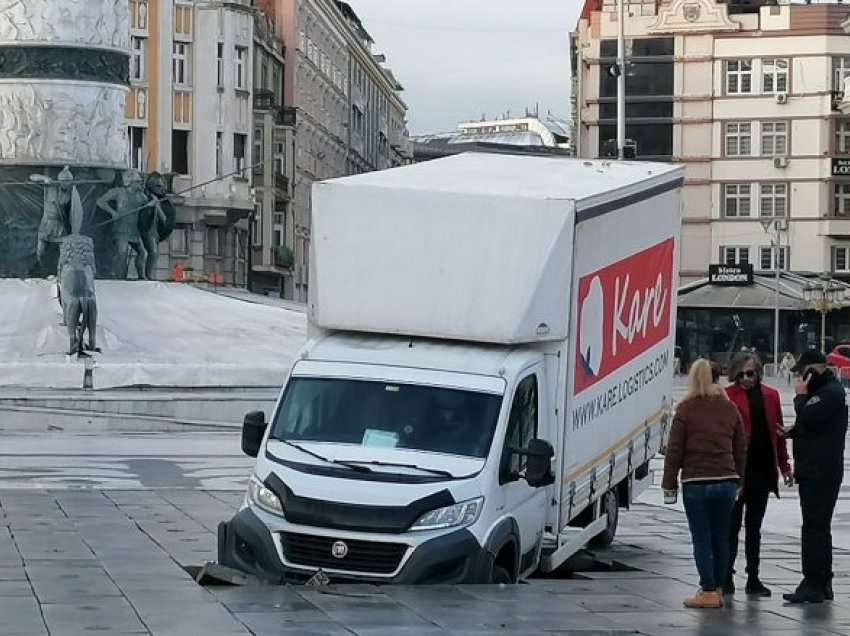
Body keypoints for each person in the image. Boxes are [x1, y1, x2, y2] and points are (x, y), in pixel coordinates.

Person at [663, 359, 747, 609]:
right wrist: (739, 478)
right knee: (722, 538)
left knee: (701, 537)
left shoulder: (686, 409)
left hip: (696, 481)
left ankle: (708, 590)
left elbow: (675, 449)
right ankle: (719, 588)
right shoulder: (729, 408)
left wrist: (669, 484)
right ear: (716, 378)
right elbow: (740, 447)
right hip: (725, 481)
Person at [724, 353, 793, 597]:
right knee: (731, 526)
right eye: (740, 374)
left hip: (762, 470)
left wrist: (785, 467)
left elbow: (779, 435)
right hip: (736, 471)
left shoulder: (771, 396)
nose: (745, 379)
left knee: (754, 527)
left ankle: (753, 577)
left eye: (750, 373)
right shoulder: (728, 396)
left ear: (758, 373)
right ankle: (726, 576)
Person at [783, 350, 848, 604]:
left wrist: (800, 396)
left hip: (820, 471)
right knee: (817, 527)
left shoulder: (830, 392)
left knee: (814, 527)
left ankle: (813, 582)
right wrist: (793, 432)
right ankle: (822, 581)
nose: (799, 377)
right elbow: (813, 426)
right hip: (817, 468)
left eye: (802, 372)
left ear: (814, 370)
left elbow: (809, 416)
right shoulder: (826, 392)